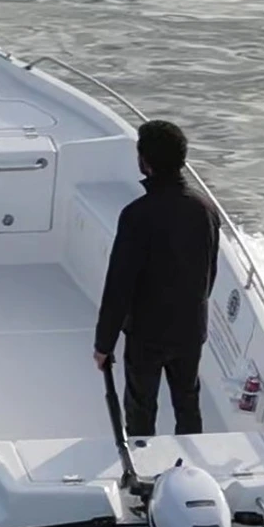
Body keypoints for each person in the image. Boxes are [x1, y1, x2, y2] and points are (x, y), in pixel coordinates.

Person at [93, 119, 220, 436]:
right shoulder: (206, 209)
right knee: (188, 401)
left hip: (147, 335)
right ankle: (193, 464)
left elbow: (119, 286)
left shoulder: (137, 215)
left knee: (140, 406)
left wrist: (103, 344)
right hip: (191, 328)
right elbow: (210, 273)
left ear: (143, 162)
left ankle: (141, 461)